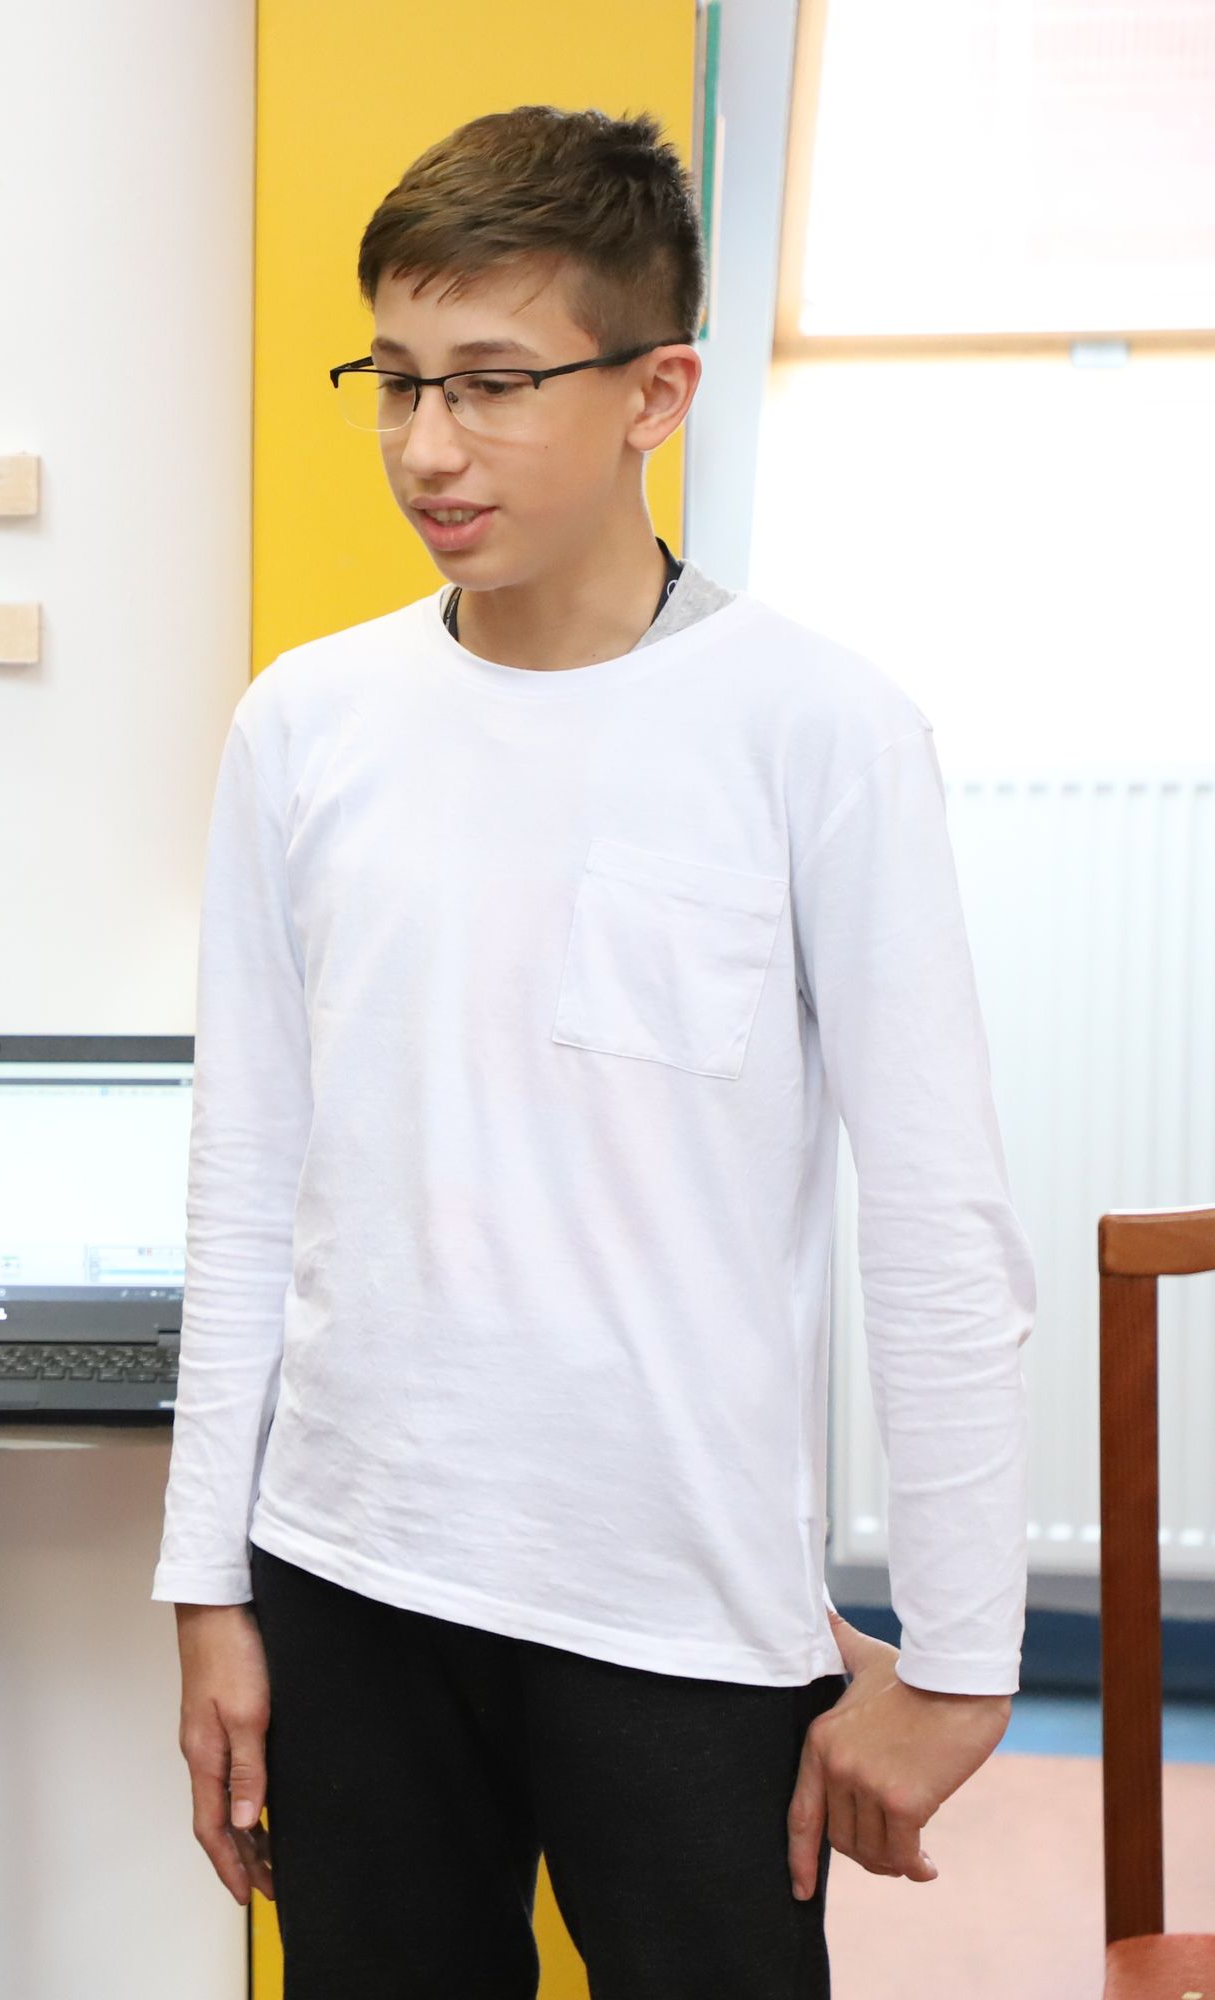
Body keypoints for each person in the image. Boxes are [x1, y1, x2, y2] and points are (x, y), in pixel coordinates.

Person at [155, 107, 1031, 1998]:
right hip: (349, 1574)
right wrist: (208, 1587)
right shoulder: (307, 722)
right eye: (395, 382)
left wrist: (964, 1661)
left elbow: (939, 1212)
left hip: (679, 1606)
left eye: (492, 384)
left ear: (657, 392)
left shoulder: (817, 729)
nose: (427, 445)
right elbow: (244, 1176)